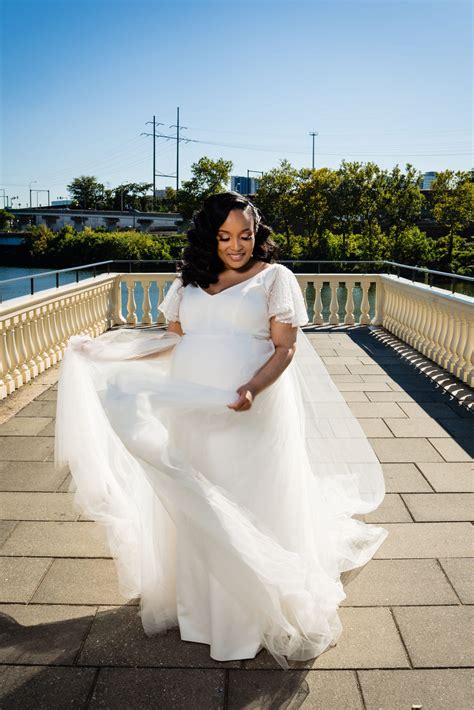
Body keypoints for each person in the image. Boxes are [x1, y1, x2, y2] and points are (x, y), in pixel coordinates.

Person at [54, 191, 388, 670]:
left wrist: (252, 389)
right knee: (196, 502)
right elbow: (172, 343)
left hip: (247, 410)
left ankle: (247, 615)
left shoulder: (275, 278)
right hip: (190, 409)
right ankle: (200, 610)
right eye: (226, 236)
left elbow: (285, 349)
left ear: (258, 234)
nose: (236, 246)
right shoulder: (187, 283)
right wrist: (108, 353)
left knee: (245, 500)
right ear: (209, 237)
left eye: (246, 235)